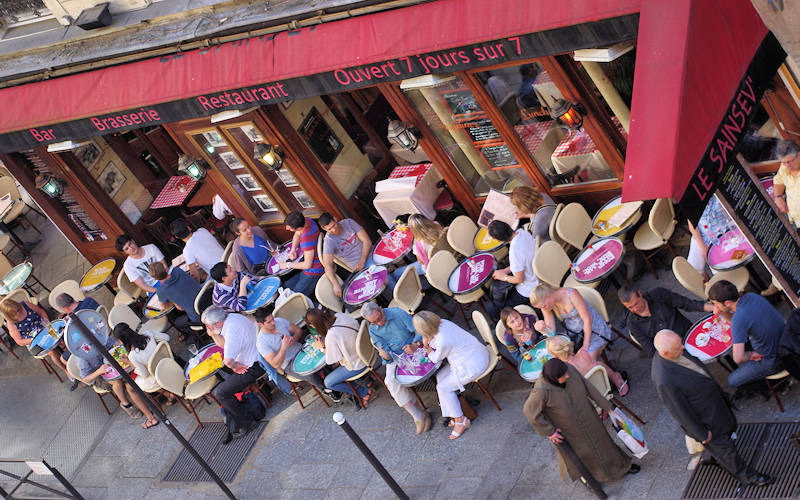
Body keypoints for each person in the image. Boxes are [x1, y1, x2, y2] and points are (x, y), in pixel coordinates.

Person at [652, 330, 774, 486]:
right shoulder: (665, 379)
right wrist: (701, 433)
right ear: (666, 353)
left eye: (680, 343)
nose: (683, 347)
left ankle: (715, 457)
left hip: (714, 405)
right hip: (706, 420)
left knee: (727, 433)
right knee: (727, 450)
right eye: (678, 347)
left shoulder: (675, 351)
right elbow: (680, 411)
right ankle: (748, 476)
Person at [524, 358, 637, 483]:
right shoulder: (541, 392)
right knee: (585, 454)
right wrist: (550, 431)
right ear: (554, 379)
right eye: (563, 376)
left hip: (589, 417)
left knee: (604, 444)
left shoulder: (568, 369)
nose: (567, 376)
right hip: (571, 430)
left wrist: (608, 407)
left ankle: (622, 467)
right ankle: (591, 479)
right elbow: (529, 411)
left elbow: (588, 387)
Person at [412, 311, 488, 440]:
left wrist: (426, 345)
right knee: (440, 376)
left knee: (442, 387)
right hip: (474, 353)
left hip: (473, 364)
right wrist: (430, 340)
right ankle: (454, 414)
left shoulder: (443, 341)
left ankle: (461, 420)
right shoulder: (444, 323)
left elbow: (435, 358)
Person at [362, 302, 431, 434]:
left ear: (381, 309)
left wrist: (415, 344)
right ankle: (417, 414)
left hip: (413, 346)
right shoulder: (373, 329)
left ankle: (426, 411)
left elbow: (418, 329)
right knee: (390, 382)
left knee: (425, 366)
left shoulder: (397, 313)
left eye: (379, 318)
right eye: (374, 322)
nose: (379, 323)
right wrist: (386, 356)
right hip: (396, 356)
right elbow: (384, 351)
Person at [707, 280, 784, 392]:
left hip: (774, 360)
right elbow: (740, 321)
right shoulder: (752, 296)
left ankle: (779, 386)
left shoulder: (739, 319)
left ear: (727, 303)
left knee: (732, 380)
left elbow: (738, 358)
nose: (715, 307)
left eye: (716, 304)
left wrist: (751, 354)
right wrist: (722, 312)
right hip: (786, 340)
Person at [201, 306, 265, 437]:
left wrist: (235, 366)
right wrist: (213, 334)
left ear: (218, 323)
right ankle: (247, 399)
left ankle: (246, 423)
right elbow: (224, 345)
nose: (207, 329)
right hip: (254, 354)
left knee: (220, 393)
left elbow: (229, 361)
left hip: (254, 365)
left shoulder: (231, 331)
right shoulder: (231, 318)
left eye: (208, 326)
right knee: (224, 369)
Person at [74, 334, 160, 429]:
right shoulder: (81, 356)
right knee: (118, 382)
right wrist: (99, 371)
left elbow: (116, 345)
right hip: (98, 376)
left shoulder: (101, 337)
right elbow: (85, 379)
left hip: (113, 366)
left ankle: (150, 408)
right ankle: (126, 404)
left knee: (129, 383)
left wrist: (119, 350)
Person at [305, 308, 375, 406]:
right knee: (337, 367)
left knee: (328, 383)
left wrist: (322, 347)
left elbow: (332, 360)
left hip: (359, 363)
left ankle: (364, 392)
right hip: (369, 350)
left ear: (315, 325)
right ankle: (367, 381)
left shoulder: (331, 335)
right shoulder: (339, 316)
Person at [618, 284, 713, 356]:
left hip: (691, 335)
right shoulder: (632, 324)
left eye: (636, 303)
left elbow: (686, 304)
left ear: (640, 294)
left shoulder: (659, 294)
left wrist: (713, 307)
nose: (635, 309)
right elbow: (651, 350)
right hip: (675, 355)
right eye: (630, 307)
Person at [253, 305, 326, 396]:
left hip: (301, 350)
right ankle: (327, 389)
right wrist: (283, 348)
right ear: (260, 324)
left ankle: (333, 378)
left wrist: (294, 338)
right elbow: (275, 364)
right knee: (310, 374)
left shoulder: (278, 321)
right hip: (289, 363)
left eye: (272, 319)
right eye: (269, 322)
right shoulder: (261, 342)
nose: (273, 323)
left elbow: (298, 330)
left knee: (323, 353)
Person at [318, 213, 396, 297]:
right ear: (323, 228)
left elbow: (367, 241)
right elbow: (328, 265)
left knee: (397, 249)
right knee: (385, 278)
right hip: (361, 268)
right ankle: (401, 296)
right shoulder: (329, 241)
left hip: (373, 254)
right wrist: (335, 284)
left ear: (335, 218)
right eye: (329, 229)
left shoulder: (349, 223)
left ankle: (400, 288)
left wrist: (362, 260)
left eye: (334, 225)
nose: (333, 230)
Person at [531, 284, 609, 362]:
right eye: (540, 307)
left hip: (593, 329)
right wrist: (542, 329)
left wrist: (585, 345)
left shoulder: (571, 294)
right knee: (564, 360)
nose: (543, 309)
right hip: (574, 334)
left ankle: (613, 374)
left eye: (544, 306)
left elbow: (587, 320)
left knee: (586, 362)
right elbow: (551, 333)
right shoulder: (546, 306)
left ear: (549, 296)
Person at [2, 298, 71, 381]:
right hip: (32, 339)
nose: (18, 313)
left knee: (62, 339)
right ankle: (66, 370)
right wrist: (33, 339)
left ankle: (73, 355)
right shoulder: (11, 323)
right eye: (14, 313)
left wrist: (46, 320)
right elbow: (19, 341)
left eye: (18, 309)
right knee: (52, 352)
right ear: (9, 315)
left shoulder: (25, 304)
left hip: (43, 327)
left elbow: (41, 311)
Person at [486, 220, 539, 320]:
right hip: (538, 273)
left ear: (499, 240)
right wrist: (506, 270)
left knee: (492, 308)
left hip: (530, 288)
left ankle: (506, 324)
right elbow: (523, 260)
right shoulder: (523, 233)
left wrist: (504, 277)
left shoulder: (514, 251)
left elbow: (519, 279)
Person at [111, 323, 174, 403]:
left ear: (122, 340)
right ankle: (168, 392)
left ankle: (167, 395)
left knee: (136, 383)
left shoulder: (133, 355)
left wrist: (129, 362)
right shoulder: (148, 334)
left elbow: (145, 374)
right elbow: (166, 337)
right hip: (168, 363)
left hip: (157, 375)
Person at [546, 335, 628, 396]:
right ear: (570, 346)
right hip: (603, 385)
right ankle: (616, 378)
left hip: (591, 396)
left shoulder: (566, 372)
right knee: (598, 364)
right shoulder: (584, 353)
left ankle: (600, 410)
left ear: (555, 356)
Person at [149, 262, 202, 341]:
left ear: (154, 278)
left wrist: (173, 301)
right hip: (206, 300)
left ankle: (197, 339)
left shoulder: (161, 290)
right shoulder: (177, 270)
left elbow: (164, 306)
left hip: (198, 316)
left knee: (178, 323)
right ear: (165, 268)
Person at [282, 211, 324, 299]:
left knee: (295, 298)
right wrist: (293, 250)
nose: (286, 228)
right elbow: (297, 234)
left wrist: (287, 265)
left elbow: (307, 265)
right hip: (310, 267)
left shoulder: (306, 239)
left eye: (289, 227)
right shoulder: (307, 221)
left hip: (314, 271)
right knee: (285, 287)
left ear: (297, 228)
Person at [773, 139, 800, 229]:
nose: (787, 165)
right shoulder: (784, 167)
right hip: (794, 222)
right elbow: (778, 181)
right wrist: (778, 197)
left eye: (790, 161)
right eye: (784, 162)